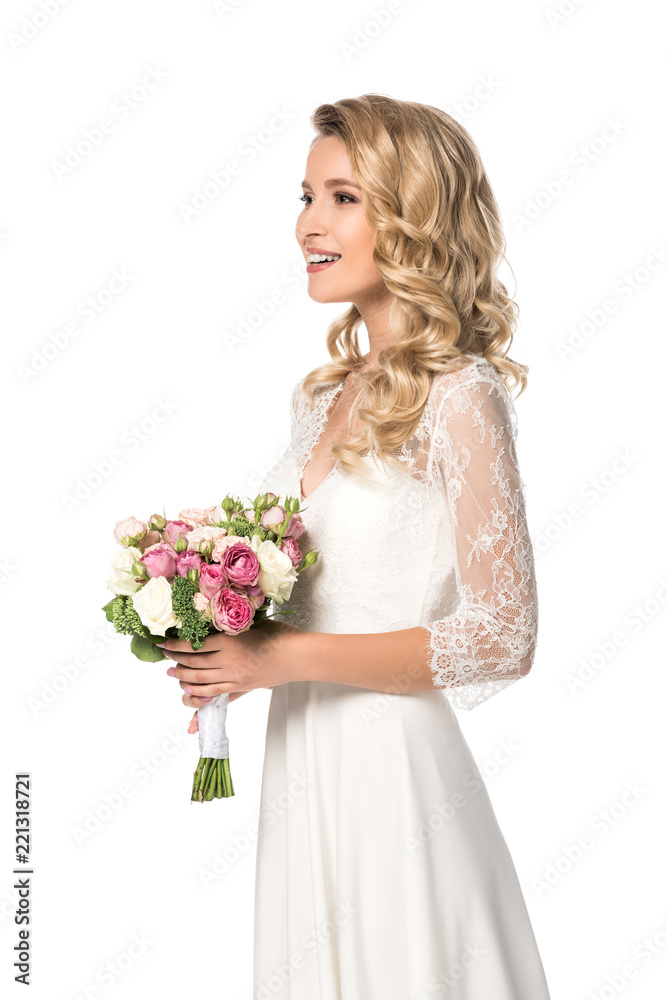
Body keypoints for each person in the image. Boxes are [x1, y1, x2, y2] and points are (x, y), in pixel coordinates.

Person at [160, 94, 552, 999]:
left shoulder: (461, 395)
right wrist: (215, 635)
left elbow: (503, 635)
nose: (309, 225)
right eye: (303, 197)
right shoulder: (321, 396)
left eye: (342, 198)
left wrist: (279, 656)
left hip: (394, 780)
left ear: (412, 216)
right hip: (304, 765)